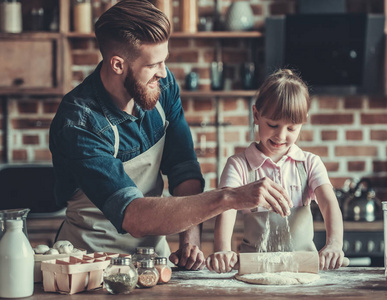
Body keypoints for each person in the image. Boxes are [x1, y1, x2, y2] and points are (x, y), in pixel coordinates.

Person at [49, 0, 292, 270]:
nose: (163, 73)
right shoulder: (79, 122)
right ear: (118, 64)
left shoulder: (162, 87)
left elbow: (183, 168)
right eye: (154, 64)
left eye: (164, 61)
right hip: (89, 265)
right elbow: (133, 216)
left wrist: (190, 239)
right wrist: (229, 197)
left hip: (152, 260)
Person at [206, 69, 345, 273]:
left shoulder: (309, 163)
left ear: (303, 122)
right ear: (256, 115)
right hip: (254, 270)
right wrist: (222, 249)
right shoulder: (239, 165)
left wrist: (334, 244)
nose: (280, 135)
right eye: (272, 124)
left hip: (303, 270)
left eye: (291, 129)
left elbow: (328, 203)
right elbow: (225, 208)